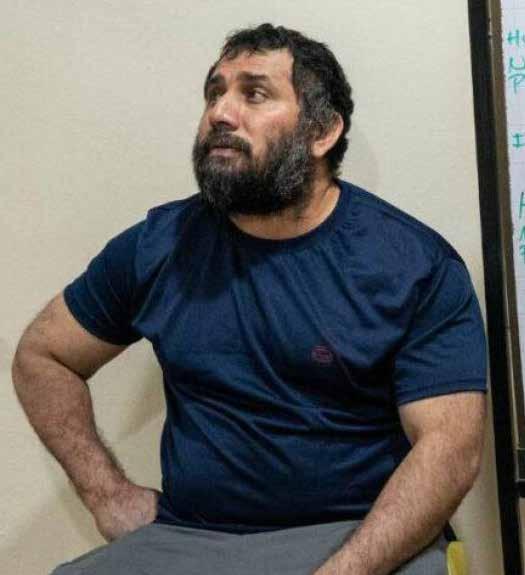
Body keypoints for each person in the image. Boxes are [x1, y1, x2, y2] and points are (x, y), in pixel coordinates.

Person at [12, 23, 487, 575]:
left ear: (321, 132)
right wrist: (107, 495)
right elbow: (44, 356)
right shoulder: (158, 247)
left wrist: (346, 570)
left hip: (359, 537)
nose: (220, 112)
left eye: (254, 94)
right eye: (214, 93)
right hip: (192, 537)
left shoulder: (413, 265)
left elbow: (450, 450)